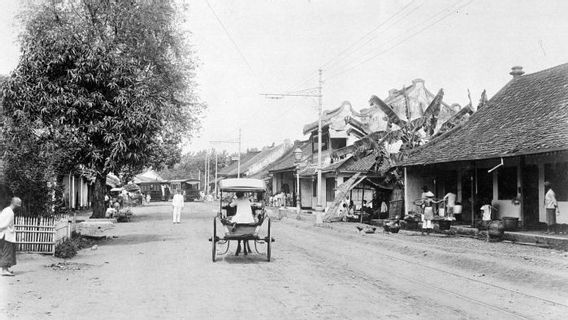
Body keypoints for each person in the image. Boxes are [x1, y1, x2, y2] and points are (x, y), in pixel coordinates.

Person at [0, 197, 21, 276]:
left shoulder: (6, 210)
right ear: (15, 204)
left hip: (4, 235)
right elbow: (3, 224)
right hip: (6, 235)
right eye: (19, 204)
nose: (19, 206)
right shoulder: (9, 212)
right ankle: (4, 270)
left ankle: (5, 269)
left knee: (5, 252)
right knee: (7, 252)